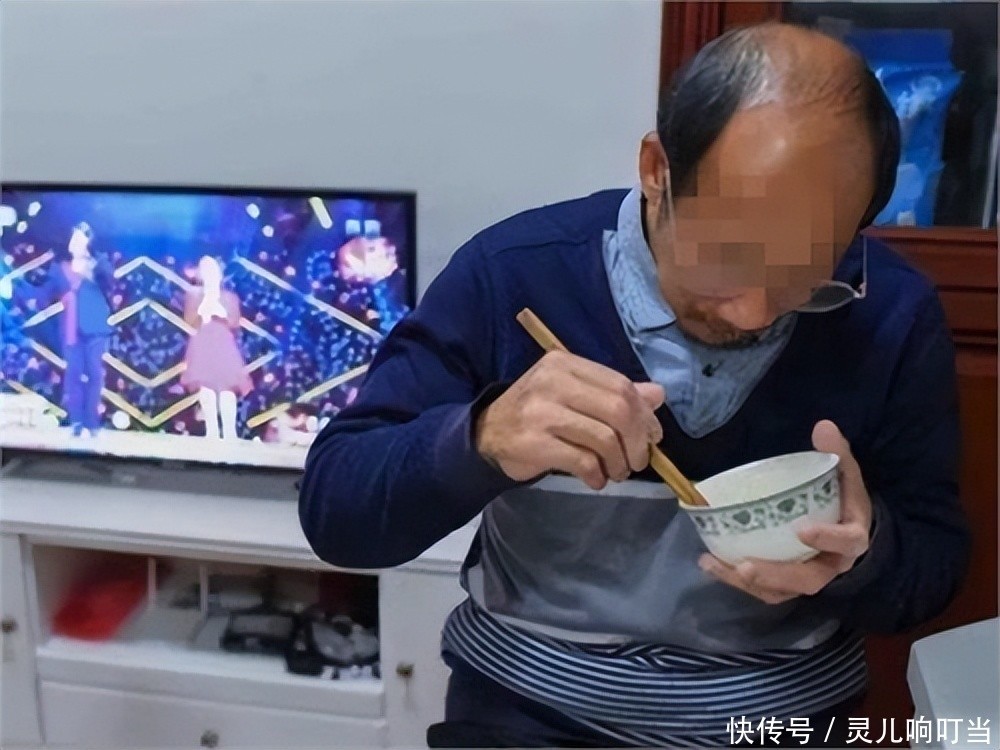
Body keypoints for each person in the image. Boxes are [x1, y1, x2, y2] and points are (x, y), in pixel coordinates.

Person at [298, 23, 970, 749]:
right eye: (728, 256)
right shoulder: (515, 274)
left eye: (804, 277)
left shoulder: (889, 312)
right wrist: (480, 441)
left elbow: (932, 572)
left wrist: (866, 554)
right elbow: (338, 511)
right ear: (657, 170)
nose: (752, 313)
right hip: (531, 716)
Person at [1, 222, 113, 437]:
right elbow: (41, 296)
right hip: (70, 330)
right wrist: (14, 291)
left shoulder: (100, 264)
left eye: (79, 238)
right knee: (73, 376)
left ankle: (92, 423)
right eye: (73, 238)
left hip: (95, 328)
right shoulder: (60, 268)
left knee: (94, 376)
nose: (74, 242)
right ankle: (77, 422)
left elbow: (109, 284)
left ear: (89, 242)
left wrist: (88, 271)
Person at [181, 255, 251, 440]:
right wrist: (203, 310)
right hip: (202, 342)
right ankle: (211, 430)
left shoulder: (230, 297)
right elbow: (189, 321)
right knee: (206, 388)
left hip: (223, 343)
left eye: (212, 270)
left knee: (227, 388)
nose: (210, 274)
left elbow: (235, 322)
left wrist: (222, 314)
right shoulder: (193, 295)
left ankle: (229, 431)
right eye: (205, 270)